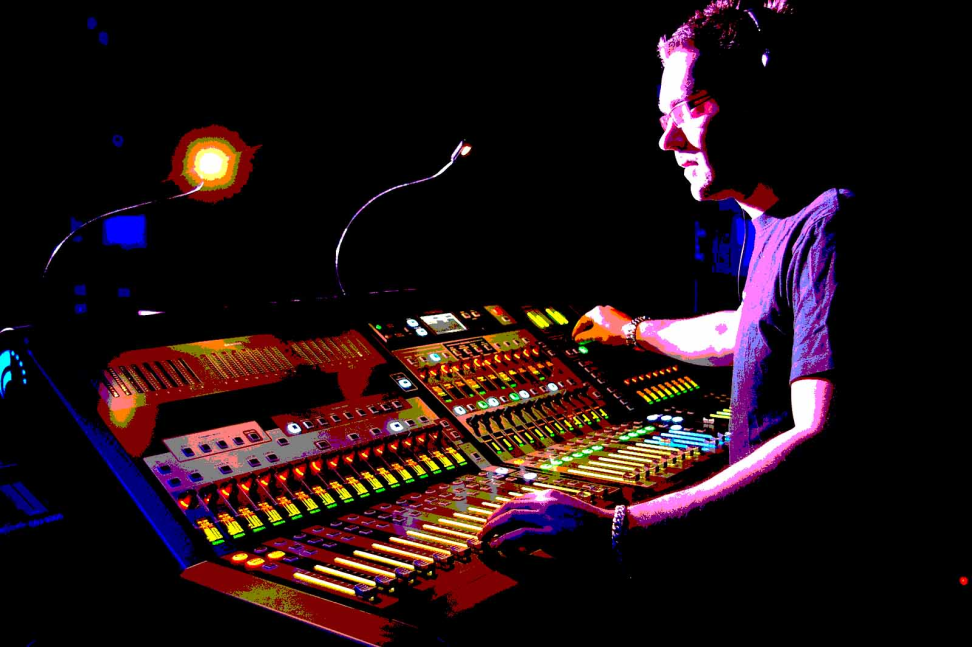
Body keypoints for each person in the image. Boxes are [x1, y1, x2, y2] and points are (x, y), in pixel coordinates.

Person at [478, 0, 848, 579]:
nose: (668, 141)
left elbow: (820, 438)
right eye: (662, 117)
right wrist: (632, 331)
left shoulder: (829, 222)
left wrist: (620, 527)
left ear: (763, 97)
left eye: (693, 106)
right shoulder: (780, 221)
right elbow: (744, 329)